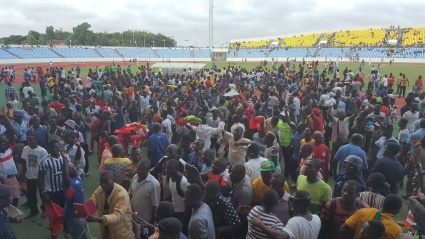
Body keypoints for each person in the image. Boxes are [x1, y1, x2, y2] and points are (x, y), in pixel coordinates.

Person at [250, 190, 321, 239]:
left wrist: (260, 224)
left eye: (293, 201)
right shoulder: (317, 218)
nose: (291, 203)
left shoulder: (294, 221)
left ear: (299, 204)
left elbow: (281, 237)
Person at [85, 170, 134, 239]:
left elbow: (117, 216)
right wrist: (83, 212)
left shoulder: (122, 194)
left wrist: (97, 219)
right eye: (101, 182)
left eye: (106, 182)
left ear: (113, 180)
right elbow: (92, 202)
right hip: (105, 231)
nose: (103, 184)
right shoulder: (100, 190)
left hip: (122, 233)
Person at [61, 148, 87, 239]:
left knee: (83, 231)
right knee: (80, 236)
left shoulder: (77, 177)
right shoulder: (67, 182)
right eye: (71, 169)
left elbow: (77, 159)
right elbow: (65, 175)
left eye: (74, 167)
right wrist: (64, 158)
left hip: (81, 211)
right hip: (72, 215)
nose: (74, 169)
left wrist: (79, 147)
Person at [21, 133, 48, 218]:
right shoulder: (25, 149)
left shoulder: (42, 151)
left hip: (40, 177)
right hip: (29, 176)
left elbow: (46, 164)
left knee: (42, 194)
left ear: (36, 140)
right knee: (31, 195)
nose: (29, 141)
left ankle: (44, 210)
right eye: (28, 140)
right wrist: (23, 173)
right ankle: (33, 210)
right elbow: (24, 161)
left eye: (31, 140)